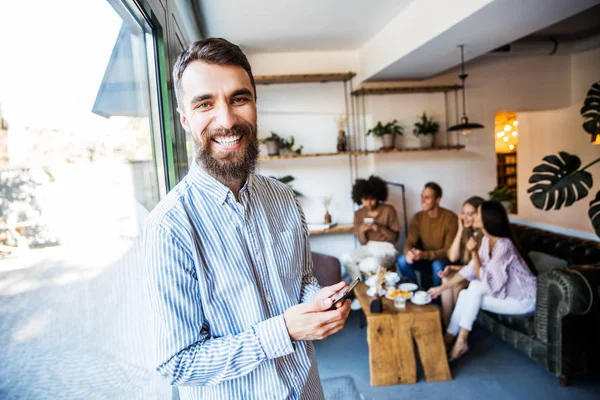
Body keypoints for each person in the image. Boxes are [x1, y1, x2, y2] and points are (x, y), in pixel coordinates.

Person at [145, 38, 351, 400]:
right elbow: (177, 363)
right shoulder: (170, 227)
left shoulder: (283, 198)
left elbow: (301, 279)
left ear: (255, 103)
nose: (226, 120)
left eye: (239, 99)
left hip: (308, 390)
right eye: (205, 103)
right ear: (184, 120)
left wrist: (319, 301)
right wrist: (283, 332)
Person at [428, 201, 537, 362]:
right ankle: (450, 338)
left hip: (524, 300)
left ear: (487, 219)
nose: (473, 217)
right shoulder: (486, 241)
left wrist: (473, 252)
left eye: (477, 214)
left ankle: (460, 341)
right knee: (466, 294)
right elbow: (470, 270)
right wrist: (441, 288)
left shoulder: (504, 245)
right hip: (506, 293)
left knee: (474, 287)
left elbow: (486, 282)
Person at [341, 175, 400, 310]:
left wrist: (379, 228)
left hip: (387, 248)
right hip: (368, 247)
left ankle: (369, 294)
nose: (369, 203)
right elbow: (363, 242)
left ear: (378, 196)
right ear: (360, 198)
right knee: (346, 257)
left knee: (371, 264)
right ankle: (359, 289)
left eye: (372, 198)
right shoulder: (359, 213)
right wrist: (362, 230)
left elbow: (394, 238)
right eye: (365, 199)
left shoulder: (388, 210)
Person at [396, 182, 458, 288]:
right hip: (424, 259)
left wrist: (424, 255)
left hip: (442, 260)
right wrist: (409, 253)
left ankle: (436, 302)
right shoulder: (418, 217)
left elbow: (448, 251)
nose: (422, 201)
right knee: (402, 260)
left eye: (427, 197)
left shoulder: (450, 218)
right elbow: (410, 242)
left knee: (437, 265)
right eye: (422, 197)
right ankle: (415, 293)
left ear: (437, 200)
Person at [438, 196, 484, 328]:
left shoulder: (484, 235)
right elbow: (453, 257)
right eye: (464, 213)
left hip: (480, 275)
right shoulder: (468, 232)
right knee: (446, 278)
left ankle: (454, 328)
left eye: (470, 214)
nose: (466, 217)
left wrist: (455, 268)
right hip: (470, 271)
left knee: (456, 284)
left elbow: (478, 267)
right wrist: (460, 229)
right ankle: (448, 324)